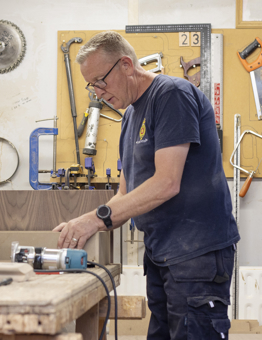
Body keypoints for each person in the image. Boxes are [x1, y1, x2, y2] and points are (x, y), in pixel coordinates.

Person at [52, 31, 240, 340]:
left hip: (196, 255)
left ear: (125, 65)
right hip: (161, 254)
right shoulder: (130, 116)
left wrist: (94, 219)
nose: (98, 93)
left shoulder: (171, 94)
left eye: (100, 81)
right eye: (91, 86)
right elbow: (125, 194)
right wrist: (83, 225)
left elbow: (166, 183)